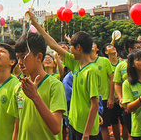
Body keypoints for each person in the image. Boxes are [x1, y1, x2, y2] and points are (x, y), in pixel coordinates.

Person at [26, 12, 101, 140]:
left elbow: (95, 104)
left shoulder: (91, 71)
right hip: (74, 123)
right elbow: (53, 45)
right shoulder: (76, 63)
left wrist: (87, 133)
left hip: (86, 130)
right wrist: (35, 24)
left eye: (70, 46)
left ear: (78, 48)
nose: (68, 49)